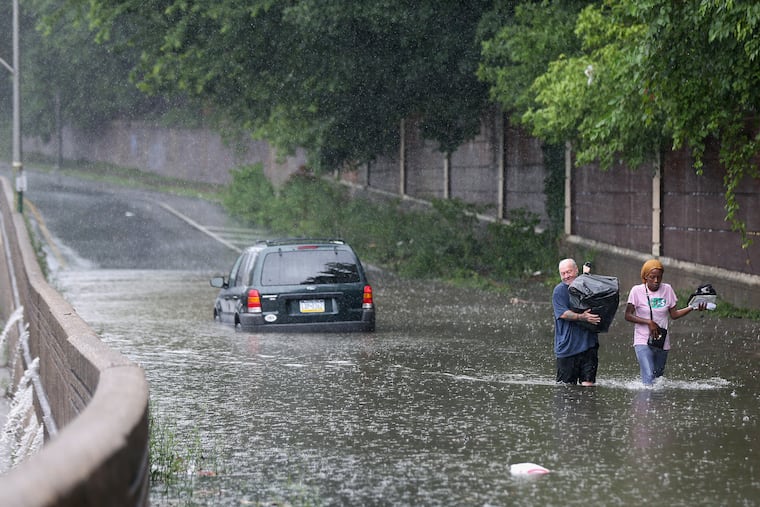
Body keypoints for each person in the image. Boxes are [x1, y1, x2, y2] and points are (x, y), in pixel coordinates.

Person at [624, 259, 707, 386]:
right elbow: (628, 315)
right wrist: (648, 322)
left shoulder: (667, 289)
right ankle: (646, 404)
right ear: (645, 277)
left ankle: (656, 404)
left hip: (661, 341)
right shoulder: (636, 291)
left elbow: (674, 315)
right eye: (652, 277)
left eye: (659, 277)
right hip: (642, 340)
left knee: (658, 380)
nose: (656, 281)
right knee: (649, 376)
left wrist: (693, 307)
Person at [552, 258, 602, 386]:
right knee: (567, 390)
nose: (566, 276)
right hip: (567, 348)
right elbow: (563, 313)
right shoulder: (559, 291)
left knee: (588, 388)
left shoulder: (588, 286)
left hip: (589, 345)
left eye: (569, 272)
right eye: (563, 273)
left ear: (576, 270)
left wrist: (586, 278)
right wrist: (582, 317)